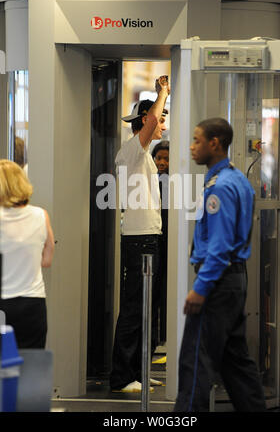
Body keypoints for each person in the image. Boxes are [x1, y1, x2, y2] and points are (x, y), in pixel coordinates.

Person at [174, 118, 266, 412]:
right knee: (236, 365)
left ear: (215, 143)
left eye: (197, 140)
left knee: (195, 361)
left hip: (218, 283)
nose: (192, 146)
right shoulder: (236, 179)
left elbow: (220, 246)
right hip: (233, 282)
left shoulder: (221, 187)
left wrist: (200, 288)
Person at [110, 76, 170, 393]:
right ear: (147, 120)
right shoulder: (132, 150)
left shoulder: (143, 156)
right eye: (159, 119)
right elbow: (149, 127)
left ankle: (136, 372)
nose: (162, 125)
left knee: (146, 308)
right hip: (139, 241)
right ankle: (122, 377)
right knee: (134, 309)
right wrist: (161, 93)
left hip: (148, 238)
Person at [0, 159, 55, 348]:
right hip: (33, 305)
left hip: (3, 304)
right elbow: (47, 260)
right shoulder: (41, 215)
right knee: (30, 372)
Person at [152, 140, 169, 344]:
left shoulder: (177, 184)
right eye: (158, 158)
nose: (161, 162)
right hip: (156, 241)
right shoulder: (150, 182)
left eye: (166, 158)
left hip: (171, 244)